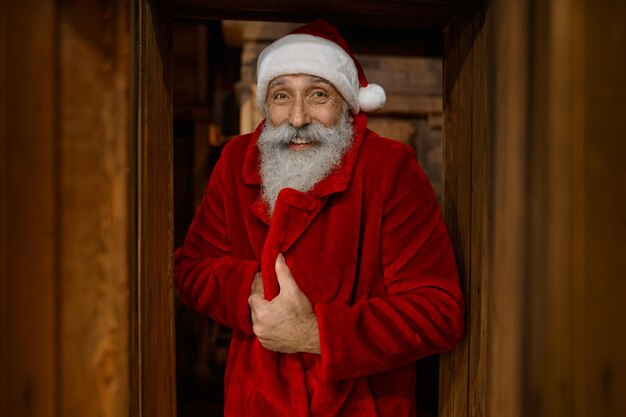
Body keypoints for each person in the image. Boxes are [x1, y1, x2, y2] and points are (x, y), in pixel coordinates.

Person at [174, 20, 464, 417]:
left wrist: (317, 334)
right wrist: (257, 288)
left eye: (317, 94)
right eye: (281, 96)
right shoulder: (234, 163)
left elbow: (439, 312)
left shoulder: (389, 169)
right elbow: (190, 270)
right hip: (254, 402)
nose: (297, 118)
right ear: (266, 104)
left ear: (345, 102)